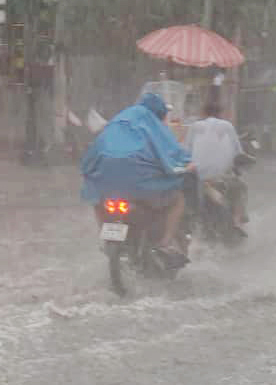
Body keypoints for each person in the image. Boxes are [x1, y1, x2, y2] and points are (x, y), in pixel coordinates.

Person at [81, 92, 194, 265]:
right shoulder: (151, 122)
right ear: (159, 113)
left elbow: (92, 155)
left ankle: (105, 237)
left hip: (106, 181)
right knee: (177, 199)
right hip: (140, 183)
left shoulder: (118, 121)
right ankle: (165, 243)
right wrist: (186, 164)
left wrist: (90, 173)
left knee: (97, 199)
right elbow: (171, 153)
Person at [188, 100, 248, 236]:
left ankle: (193, 224)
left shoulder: (195, 126)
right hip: (223, 176)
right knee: (241, 187)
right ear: (221, 113)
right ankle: (238, 221)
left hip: (202, 178)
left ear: (203, 113)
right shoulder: (227, 126)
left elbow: (186, 150)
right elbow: (239, 152)